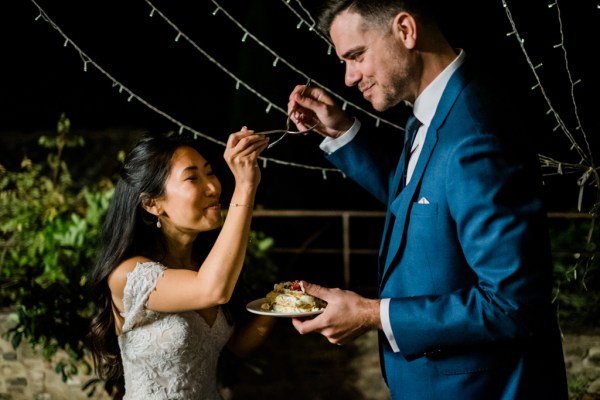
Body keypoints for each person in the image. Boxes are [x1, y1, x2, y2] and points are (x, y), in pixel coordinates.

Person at [287, 1, 568, 398]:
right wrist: (342, 130)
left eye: (356, 56)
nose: (349, 78)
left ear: (405, 30)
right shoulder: (432, 113)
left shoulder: (476, 132)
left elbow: (512, 305)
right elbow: (424, 203)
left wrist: (370, 315)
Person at [87, 129, 276, 399]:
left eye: (210, 173)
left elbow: (235, 346)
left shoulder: (207, 265)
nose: (213, 187)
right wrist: (245, 186)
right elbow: (213, 290)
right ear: (152, 204)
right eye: (192, 178)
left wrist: (279, 305)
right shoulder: (129, 274)